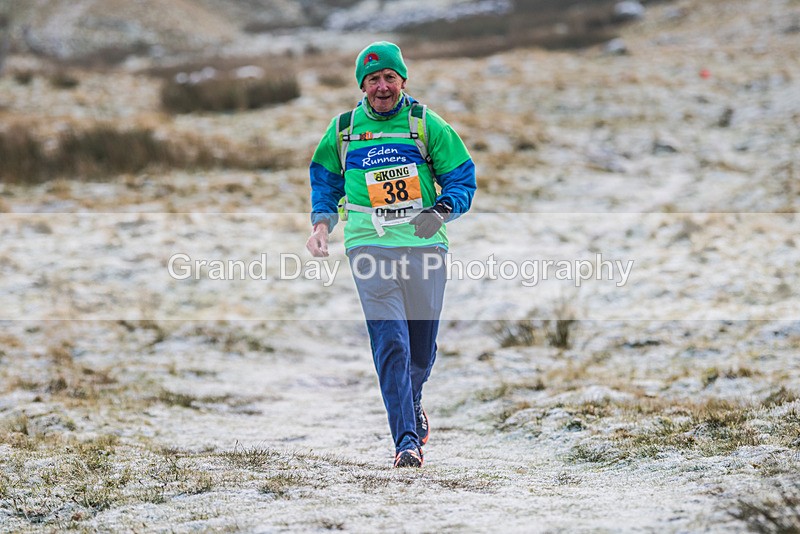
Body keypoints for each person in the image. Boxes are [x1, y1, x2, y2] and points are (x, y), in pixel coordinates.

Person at [305, 41, 476, 468]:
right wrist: (322, 225)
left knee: (421, 350)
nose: (382, 87)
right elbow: (325, 182)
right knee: (391, 342)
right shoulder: (344, 130)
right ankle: (405, 442)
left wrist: (440, 211)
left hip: (424, 245)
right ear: (362, 85)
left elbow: (462, 179)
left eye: (389, 78)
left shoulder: (424, 125)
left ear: (402, 79)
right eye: (373, 80)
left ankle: (412, 398)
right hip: (368, 243)